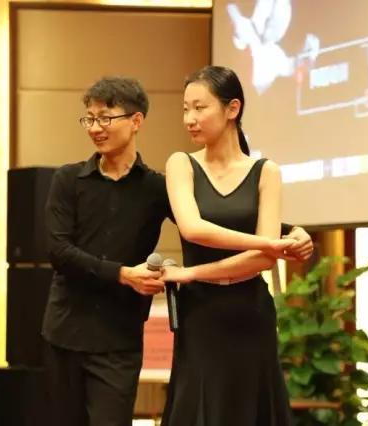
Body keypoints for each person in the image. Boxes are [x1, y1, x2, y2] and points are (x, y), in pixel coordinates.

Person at [42, 76, 311, 426]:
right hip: (65, 330)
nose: (95, 128)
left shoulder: (155, 187)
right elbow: (58, 250)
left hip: (119, 336)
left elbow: (218, 219)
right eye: (90, 119)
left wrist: (290, 231)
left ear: (136, 121)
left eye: (105, 118)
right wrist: (123, 274)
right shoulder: (67, 179)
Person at [160, 65, 294, 425]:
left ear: (232, 108)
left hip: (250, 313)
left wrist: (192, 273)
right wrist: (266, 242)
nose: (189, 119)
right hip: (200, 315)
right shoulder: (181, 164)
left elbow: (263, 261)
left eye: (199, 108)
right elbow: (194, 229)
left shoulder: (267, 171)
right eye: (185, 109)